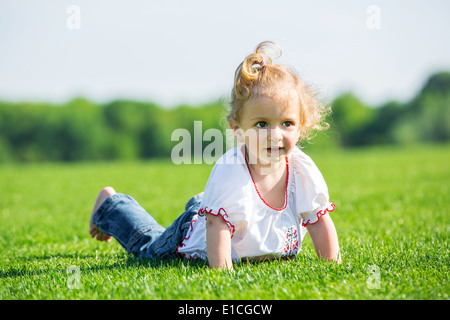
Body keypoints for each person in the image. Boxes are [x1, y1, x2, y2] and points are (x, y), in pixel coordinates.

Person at [89, 41, 340, 271]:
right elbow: (216, 226)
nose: (275, 134)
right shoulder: (233, 171)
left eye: (286, 123)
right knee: (149, 246)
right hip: (201, 227)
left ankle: (201, 203)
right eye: (261, 124)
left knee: (212, 207)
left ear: (301, 125)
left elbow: (318, 220)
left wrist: (332, 266)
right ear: (237, 128)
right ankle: (112, 205)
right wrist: (222, 273)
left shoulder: (301, 170)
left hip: (220, 206)